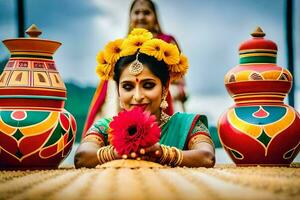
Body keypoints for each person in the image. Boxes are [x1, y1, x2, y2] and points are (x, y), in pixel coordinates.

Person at [75, 28, 215, 168]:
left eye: (148, 85)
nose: (138, 96)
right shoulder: (105, 128)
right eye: (128, 87)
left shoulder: (186, 126)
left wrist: (162, 153)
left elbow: (207, 157)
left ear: (165, 88)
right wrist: (120, 152)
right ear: (118, 90)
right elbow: (81, 158)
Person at [82, 0, 187, 137]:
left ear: (155, 17)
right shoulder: (122, 45)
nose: (141, 17)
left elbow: (179, 75)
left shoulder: (167, 42)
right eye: (136, 12)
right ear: (130, 17)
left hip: (162, 95)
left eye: (146, 12)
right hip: (125, 95)